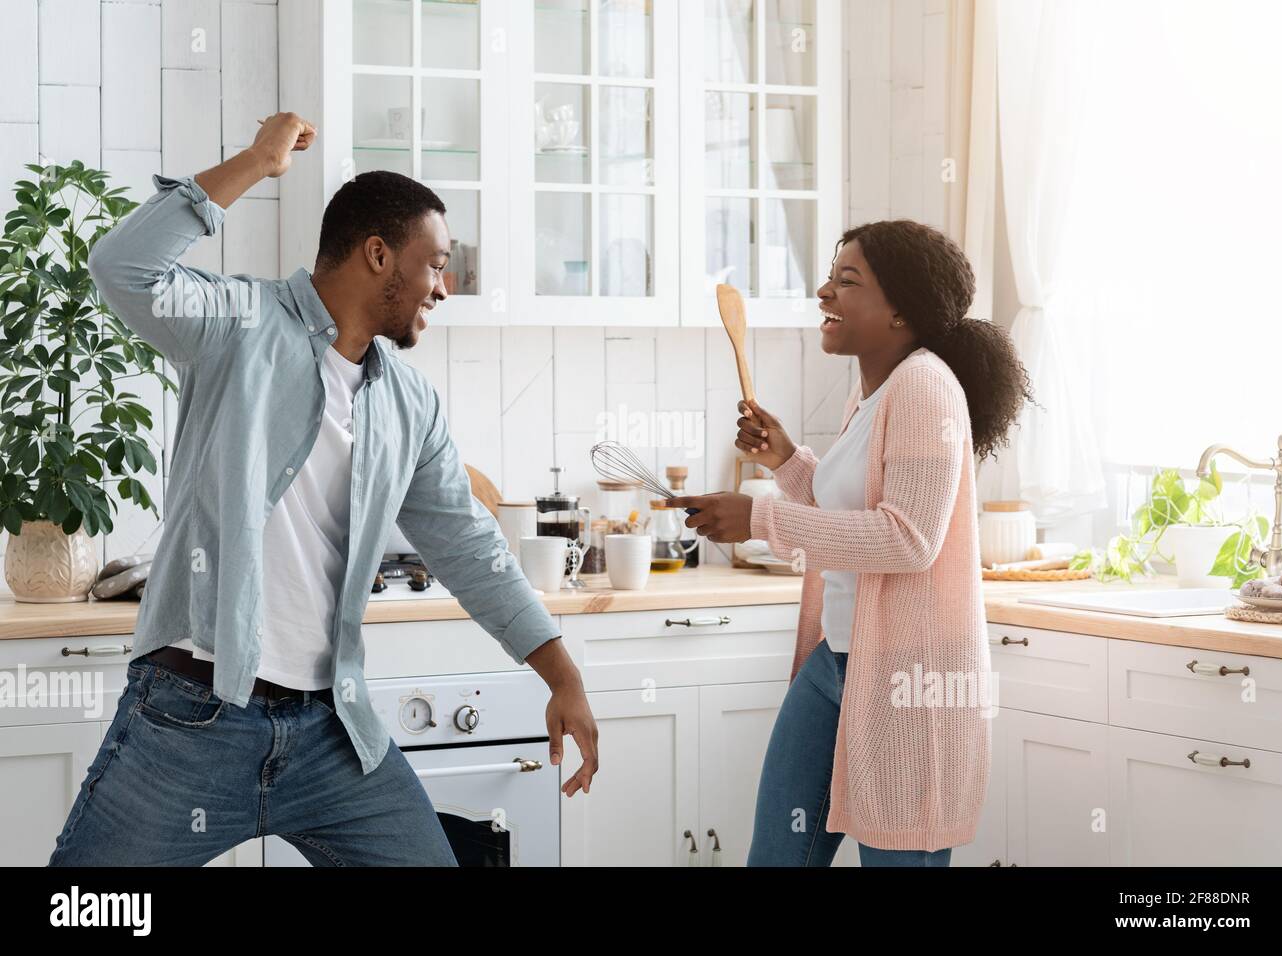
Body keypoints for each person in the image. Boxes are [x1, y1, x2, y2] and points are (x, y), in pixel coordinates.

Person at [48, 113, 598, 867]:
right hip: (191, 719)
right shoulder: (239, 323)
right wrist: (252, 163)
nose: (446, 285)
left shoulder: (409, 403)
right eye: (435, 263)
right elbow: (122, 267)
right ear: (379, 255)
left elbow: (471, 547)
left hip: (330, 732)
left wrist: (561, 674)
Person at [668, 220, 1032, 867]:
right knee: (777, 856)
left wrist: (759, 518)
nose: (823, 292)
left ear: (899, 310)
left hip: (909, 680)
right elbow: (850, 517)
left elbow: (907, 539)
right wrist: (786, 461)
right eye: (831, 278)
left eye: (846, 281)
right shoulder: (873, 393)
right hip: (837, 667)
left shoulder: (925, 387)